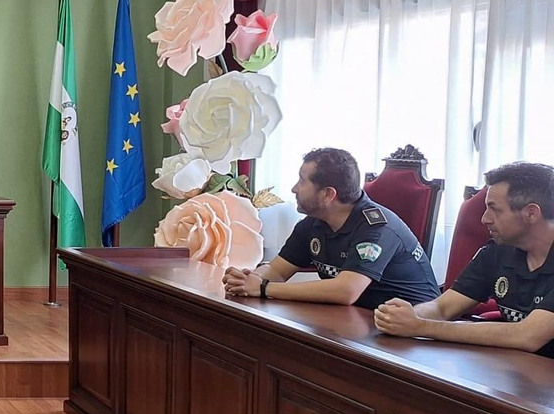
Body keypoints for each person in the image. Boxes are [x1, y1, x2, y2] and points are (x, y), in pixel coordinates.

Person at [375, 161, 554, 356]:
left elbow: (528, 336)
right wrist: (404, 317)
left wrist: (420, 326)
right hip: (515, 365)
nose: (485, 219)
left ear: (531, 213)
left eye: (495, 209)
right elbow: (442, 308)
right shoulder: (498, 251)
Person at [223, 147, 439, 308]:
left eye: (302, 181)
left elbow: (346, 291)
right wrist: (249, 279)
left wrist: (264, 288)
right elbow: (278, 270)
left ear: (328, 194)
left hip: (412, 332)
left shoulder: (377, 228)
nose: (294, 189)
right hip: (360, 319)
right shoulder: (314, 222)